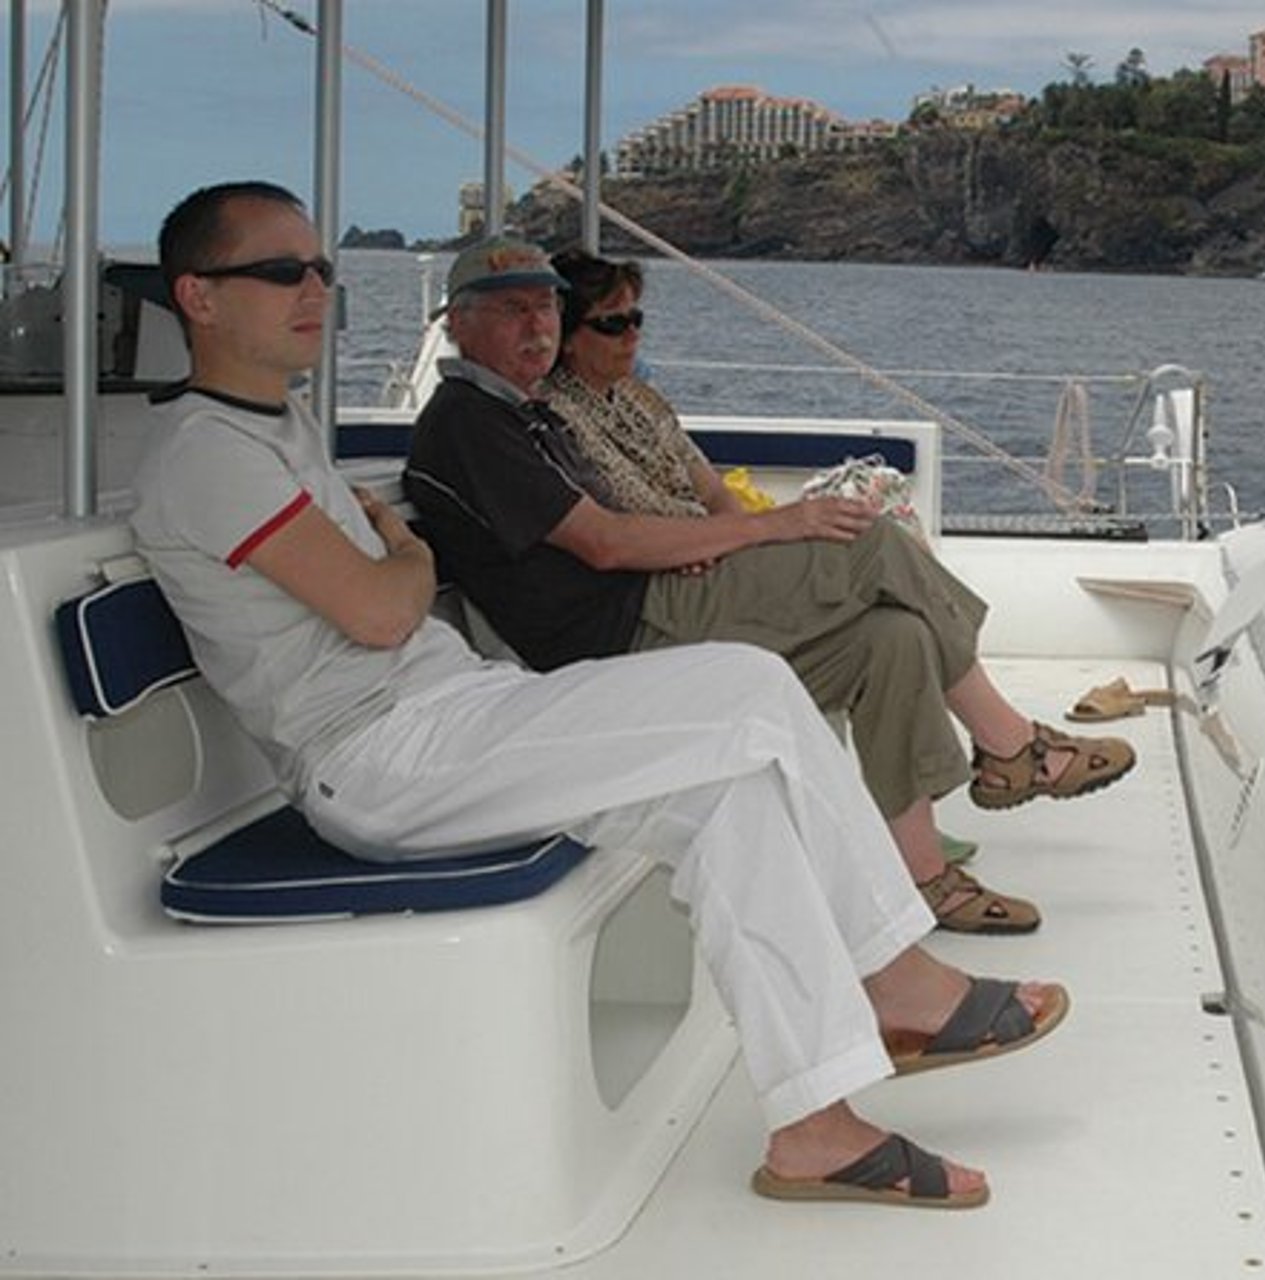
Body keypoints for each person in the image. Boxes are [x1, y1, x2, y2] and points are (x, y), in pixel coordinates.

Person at [131, 181, 1071, 1210]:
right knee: (751, 691)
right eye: (279, 271)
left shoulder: (277, 427)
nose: (313, 289)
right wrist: (404, 549)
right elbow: (382, 612)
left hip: (450, 712)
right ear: (200, 297)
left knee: (733, 800)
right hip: (380, 757)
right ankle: (896, 975)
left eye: (320, 268)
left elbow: (385, 600)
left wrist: (397, 560)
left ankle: (814, 1125)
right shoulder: (208, 456)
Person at [403, 238, 1137, 937]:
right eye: (509, 309)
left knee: (895, 638)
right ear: (459, 322)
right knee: (871, 542)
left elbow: (632, 520)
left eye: (544, 305)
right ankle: (1011, 747)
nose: (535, 324)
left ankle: (925, 876)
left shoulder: (521, 414)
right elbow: (605, 542)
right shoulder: (471, 423)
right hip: (622, 627)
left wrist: (722, 534)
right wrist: (770, 528)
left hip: (650, 598)